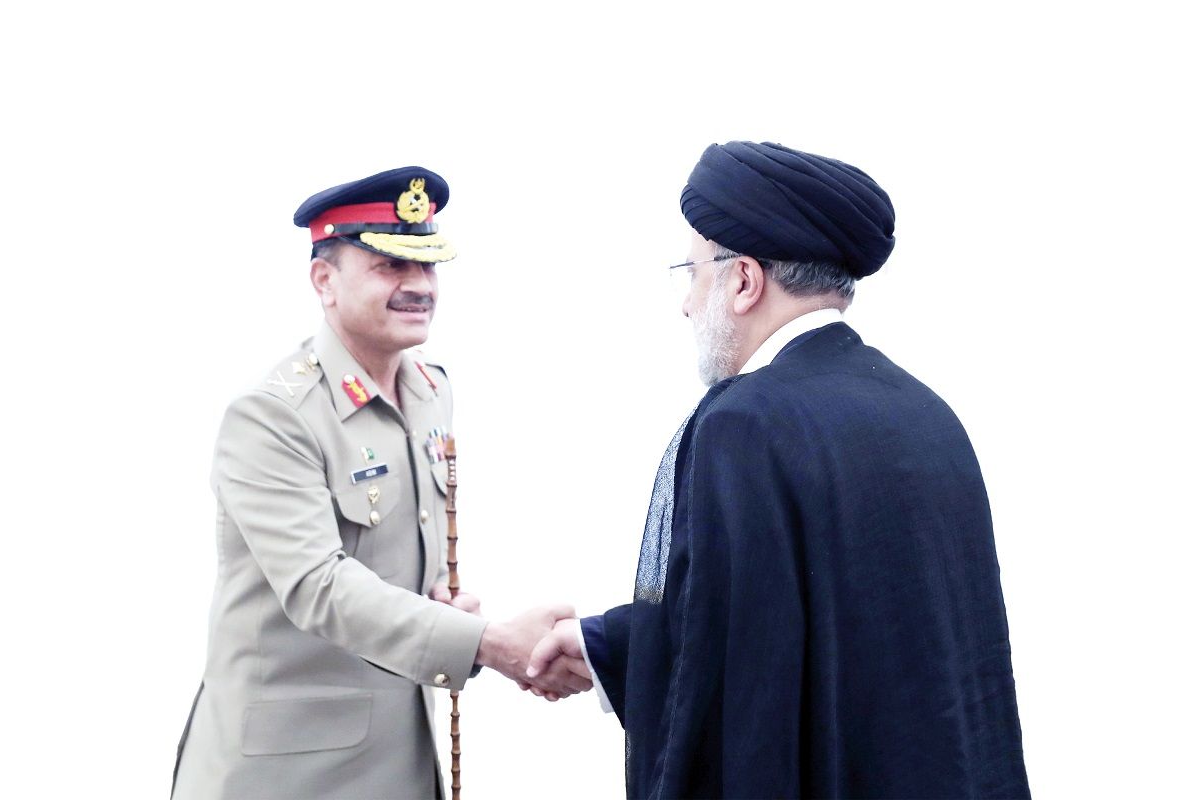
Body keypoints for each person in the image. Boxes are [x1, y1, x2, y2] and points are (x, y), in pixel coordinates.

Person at [528, 142, 1030, 798]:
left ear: (743, 281)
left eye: (692, 272)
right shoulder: (927, 411)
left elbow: (736, 671)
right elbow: (838, 620)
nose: (687, 304)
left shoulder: (743, 424)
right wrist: (604, 649)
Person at [172, 166, 589, 800]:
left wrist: (447, 604)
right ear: (324, 281)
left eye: (427, 265)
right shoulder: (273, 416)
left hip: (399, 756)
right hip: (287, 774)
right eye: (390, 266)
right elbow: (319, 586)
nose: (418, 285)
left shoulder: (429, 389)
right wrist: (489, 644)